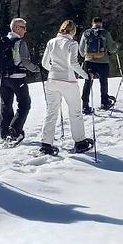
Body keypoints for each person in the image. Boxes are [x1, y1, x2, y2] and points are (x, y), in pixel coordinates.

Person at [40, 20, 94, 155]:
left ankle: (46, 144)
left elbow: (44, 63)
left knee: (51, 112)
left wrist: (54, 70)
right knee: (75, 112)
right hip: (68, 81)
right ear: (73, 31)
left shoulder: (51, 42)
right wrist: (86, 75)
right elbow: (73, 64)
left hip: (52, 80)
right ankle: (80, 141)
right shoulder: (72, 43)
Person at [0, 17, 41, 144]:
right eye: (23, 28)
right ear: (16, 28)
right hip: (18, 78)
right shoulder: (19, 42)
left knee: (6, 105)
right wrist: (37, 69)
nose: (25, 31)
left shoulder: (2, 41)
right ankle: (15, 131)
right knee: (25, 104)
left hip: (3, 78)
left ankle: (4, 133)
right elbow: (25, 61)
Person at [79, 17, 118, 114]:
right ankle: (104, 102)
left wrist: (86, 55)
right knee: (103, 82)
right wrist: (116, 45)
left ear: (92, 23)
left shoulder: (86, 33)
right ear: (101, 23)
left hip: (89, 61)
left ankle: (85, 105)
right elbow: (112, 49)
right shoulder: (105, 33)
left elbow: (81, 50)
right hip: (103, 62)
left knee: (88, 83)